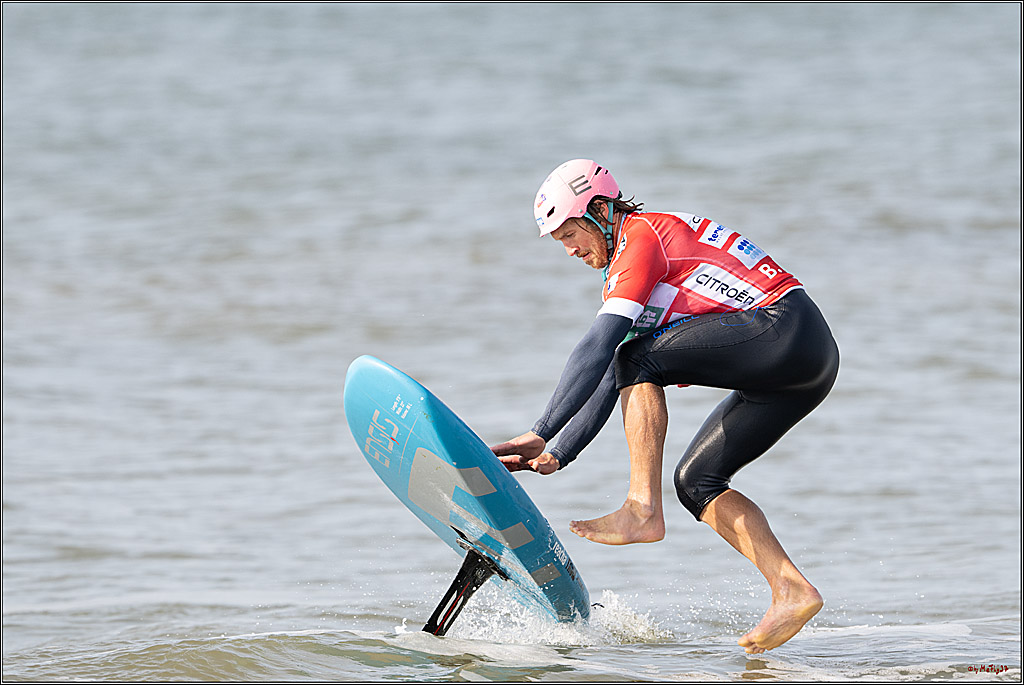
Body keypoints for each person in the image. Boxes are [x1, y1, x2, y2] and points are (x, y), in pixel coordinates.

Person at [491, 159, 840, 654]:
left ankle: (641, 508)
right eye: (559, 241)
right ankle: (791, 589)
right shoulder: (636, 258)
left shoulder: (642, 238)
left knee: (634, 355)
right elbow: (613, 372)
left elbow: (599, 349)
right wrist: (558, 453)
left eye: (571, 232)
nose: (568, 249)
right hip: (805, 365)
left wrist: (543, 427)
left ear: (601, 211)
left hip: (784, 328)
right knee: (697, 483)